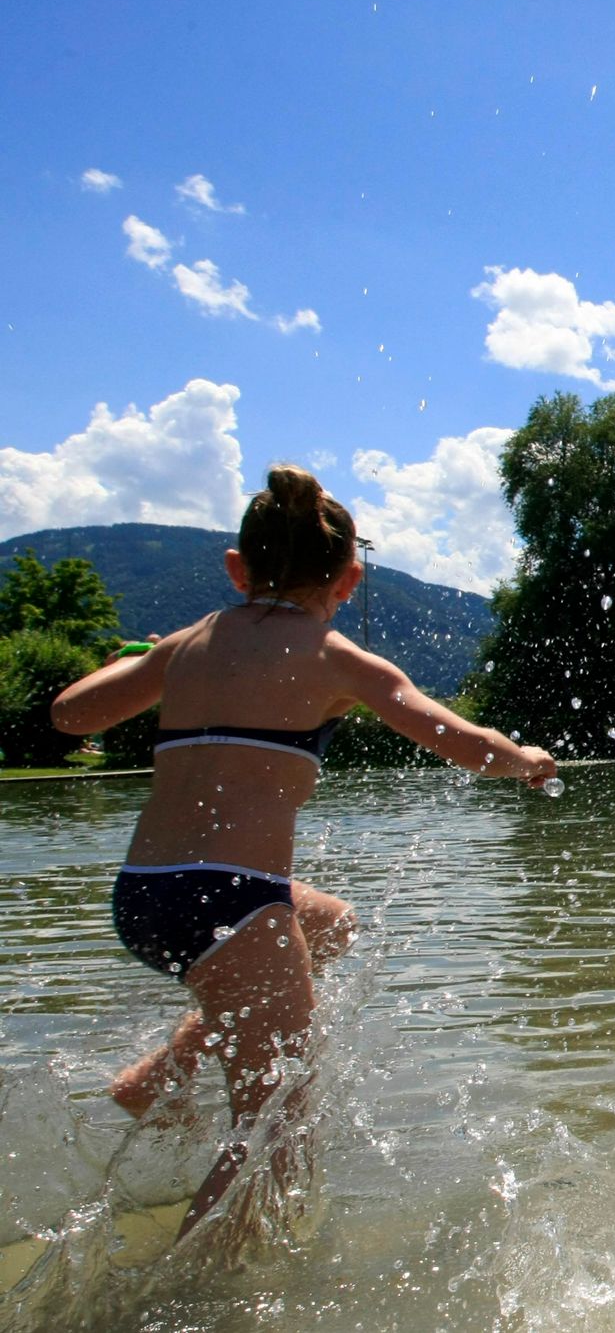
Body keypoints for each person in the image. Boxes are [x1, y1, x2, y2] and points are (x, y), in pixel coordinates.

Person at [50, 465, 556, 1238]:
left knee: (332, 925)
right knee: (275, 1130)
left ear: (236, 568)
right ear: (349, 578)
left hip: (144, 896)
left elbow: (71, 715)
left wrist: (149, 662)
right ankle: (202, 1305)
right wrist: (525, 759)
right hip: (231, 900)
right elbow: (467, 745)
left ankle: (162, 1075)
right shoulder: (337, 660)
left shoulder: (186, 647)